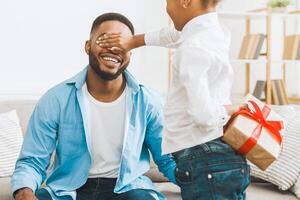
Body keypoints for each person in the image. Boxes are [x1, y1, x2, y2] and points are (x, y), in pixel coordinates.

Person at [11, 12, 176, 200]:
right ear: (88, 46)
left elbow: (167, 158)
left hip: (127, 190)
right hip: (68, 191)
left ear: (130, 53)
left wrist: (201, 183)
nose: (113, 49)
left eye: (122, 44)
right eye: (105, 40)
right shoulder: (55, 99)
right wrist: (24, 192)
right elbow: (33, 160)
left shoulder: (148, 100)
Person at [97, 0, 251, 199]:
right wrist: (134, 41)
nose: (166, 8)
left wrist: (230, 109)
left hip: (204, 158)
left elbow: (203, 116)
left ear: (185, 1)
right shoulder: (215, 32)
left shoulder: (193, 47)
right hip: (220, 156)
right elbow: (173, 35)